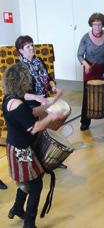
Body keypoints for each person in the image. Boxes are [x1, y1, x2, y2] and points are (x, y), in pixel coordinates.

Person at [2, 64, 64, 228]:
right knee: (36, 184)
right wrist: (52, 117)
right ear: (22, 82)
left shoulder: (10, 98)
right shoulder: (18, 105)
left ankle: (16, 207)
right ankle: (29, 223)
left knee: (27, 180)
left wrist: (55, 100)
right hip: (21, 150)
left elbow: (34, 112)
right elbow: (35, 127)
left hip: (16, 146)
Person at [15, 35, 67, 169]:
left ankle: (50, 159)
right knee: (36, 134)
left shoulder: (39, 61)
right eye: (28, 46)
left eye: (32, 45)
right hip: (30, 104)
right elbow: (20, 93)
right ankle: (37, 163)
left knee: (47, 132)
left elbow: (49, 78)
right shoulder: (19, 68)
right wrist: (36, 98)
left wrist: (53, 87)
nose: (32, 48)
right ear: (21, 50)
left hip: (43, 100)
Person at [77, 12, 104, 131]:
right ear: (91, 25)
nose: (97, 27)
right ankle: (85, 122)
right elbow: (79, 55)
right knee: (88, 96)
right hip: (90, 69)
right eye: (95, 25)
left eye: (99, 24)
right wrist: (85, 65)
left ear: (103, 25)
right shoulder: (86, 37)